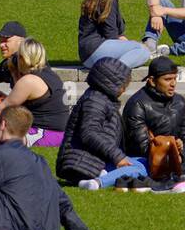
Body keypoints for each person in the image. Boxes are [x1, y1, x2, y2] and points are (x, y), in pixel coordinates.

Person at [57, 57, 140, 190]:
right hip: (83, 165)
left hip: (92, 162)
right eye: (123, 85)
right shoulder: (95, 100)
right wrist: (117, 157)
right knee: (139, 167)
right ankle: (99, 181)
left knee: (139, 164)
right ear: (111, 82)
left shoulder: (102, 99)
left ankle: (102, 178)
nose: (124, 90)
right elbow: (89, 133)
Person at [121, 56, 185, 181]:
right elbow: (141, 147)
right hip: (150, 158)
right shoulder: (137, 104)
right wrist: (171, 149)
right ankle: (182, 176)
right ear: (152, 81)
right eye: (167, 79)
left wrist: (180, 154)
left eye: (175, 78)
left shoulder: (179, 102)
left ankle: (181, 175)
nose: (173, 84)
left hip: (179, 157)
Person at [78, 0, 150, 70]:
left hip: (89, 52)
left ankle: (113, 68)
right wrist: (128, 44)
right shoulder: (105, 1)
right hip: (94, 51)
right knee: (143, 51)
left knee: (139, 48)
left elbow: (114, 33)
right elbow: (110, 33)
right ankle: (116, 71)